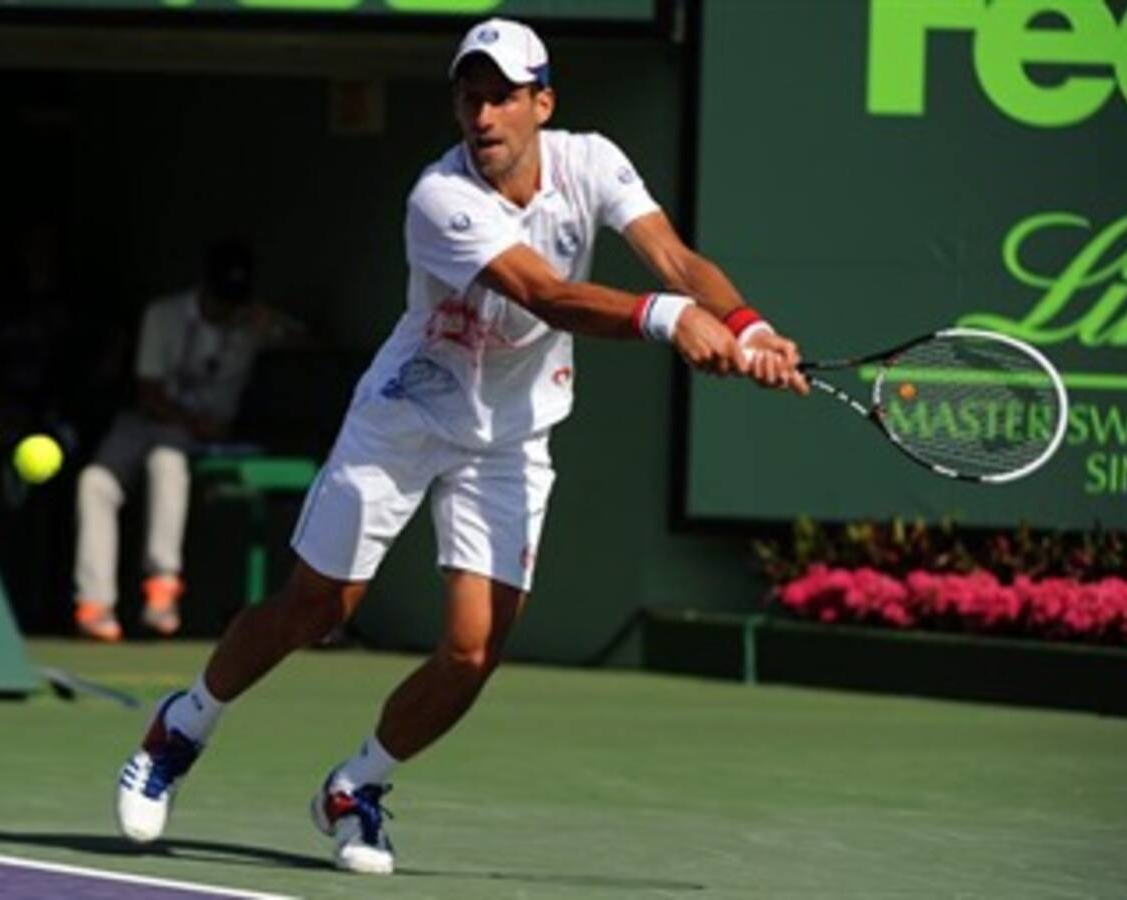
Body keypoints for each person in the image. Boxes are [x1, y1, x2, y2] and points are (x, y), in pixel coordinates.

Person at [113, 18, 809, 874]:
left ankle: (355, 788)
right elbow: (546, 296)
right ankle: (181, 727)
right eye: (469, 96)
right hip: (405, 417)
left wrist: (751, 327)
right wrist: (670, 320)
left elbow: (671, 255)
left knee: (475, 648)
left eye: (503, 97)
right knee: (318, 607)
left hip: (512, 437)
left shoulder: (592, 160)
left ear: (541, 103)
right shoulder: (438, 198)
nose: (483, 115)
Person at [74, 239, 272, 641]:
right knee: (95, 481)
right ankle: (95, 604)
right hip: (150, 421)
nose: (224, 308)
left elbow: (304, 336)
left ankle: (162, 589)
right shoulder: (164, 315)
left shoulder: (253, 325)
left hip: (191, 438)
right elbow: (149, 391)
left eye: (233, 300)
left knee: (166, 464)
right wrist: (194, 421)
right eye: (219, 297)